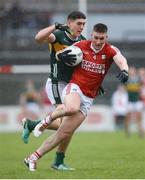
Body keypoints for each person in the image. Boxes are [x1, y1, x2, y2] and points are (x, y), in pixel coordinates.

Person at [24, 23, 129, 171]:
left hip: (88, 98)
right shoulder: (82, 44)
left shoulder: (110, 50)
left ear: (107, 37)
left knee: (64, 134)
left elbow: (121, 60)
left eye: (102, 38)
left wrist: (124, 70)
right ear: (92, 35)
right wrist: (62, 55)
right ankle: (47, 120)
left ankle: (32, 158)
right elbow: (58, 54)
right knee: (72, 108)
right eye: (96, 38)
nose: (99, 41)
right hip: (75, 88)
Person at [22, 11, 87, 170]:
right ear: (69, 23)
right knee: (66, 126)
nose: (81, 27)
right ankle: (57, 161)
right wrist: (55, 26)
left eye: (83, 24)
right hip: (56, 83)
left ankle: (33, 125)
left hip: (71, 86)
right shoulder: (58, 35)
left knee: (67, 127)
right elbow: (38, 38)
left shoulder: (83, 41)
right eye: (78, 23)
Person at [125, 66, 144, 138]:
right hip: (129, 101)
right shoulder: (127, 80)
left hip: (138, 101)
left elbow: (141, 89)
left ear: (135, 71)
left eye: (132, 70)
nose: (131, 72)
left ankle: (141, 132)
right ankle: (127, 133)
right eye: (130, 70)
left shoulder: (139, 79)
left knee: (139, 118)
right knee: (128, 118)